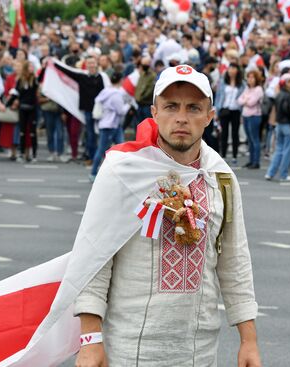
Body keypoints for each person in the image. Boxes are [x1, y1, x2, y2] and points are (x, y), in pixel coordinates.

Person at [74, 64, 261, 367]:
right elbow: (93, 258)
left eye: (194, 108)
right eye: (171, 106)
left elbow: (234, 260)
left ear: (210, 116)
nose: (182, 118)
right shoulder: (123, 171)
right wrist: (89, 340)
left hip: (199, 352)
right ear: (154, 112)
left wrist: (248, 339)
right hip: (131, 350)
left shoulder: (221, 178)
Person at [89, 72, 130, 179]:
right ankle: (93, 172)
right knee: (114, 150)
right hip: (111, 125)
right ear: (120, 80)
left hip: (107, 124)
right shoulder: (116, 94)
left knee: (118, 150)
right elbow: (120, 111)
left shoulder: (105, 91)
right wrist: (128, 105)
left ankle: (119, 173)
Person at [265, 73, 290, 182]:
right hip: (288, 125)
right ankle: (283, 174)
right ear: (287, 83)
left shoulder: (279, 94)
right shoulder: (289, 95)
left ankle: (270, 173)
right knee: (288, 151)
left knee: (279, 150)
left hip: (279, 125)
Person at [7, 61, 40, 163]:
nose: (31, 68)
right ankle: (21, 153)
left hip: (32, 108)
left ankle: (33, 154)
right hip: (23, 108)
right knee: (22, 132)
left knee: (32, 133)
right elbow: (16, 94)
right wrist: (7, 104)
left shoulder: (34, 79)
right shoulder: (20, 80)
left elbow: (37, 91)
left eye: (32, 66)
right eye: (30, 66)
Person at [214, 62, 244, 164]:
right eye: (230, 68)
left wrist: (242, 114)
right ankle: (223, 155)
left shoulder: (242, 84)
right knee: (224, 133)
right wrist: (217, 112)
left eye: (234, 68)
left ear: (237, 70)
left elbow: (243, 98)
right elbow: (218, 97)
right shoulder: (222, 82)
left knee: (235, 133)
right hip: (224, 109)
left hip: (236, 110)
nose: (231, 70)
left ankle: (235, 155)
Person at [237, 69, 264, 169]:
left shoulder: (258, 89)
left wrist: (245, 100)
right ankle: (251, 160)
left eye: (252, 77)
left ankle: (256, 161)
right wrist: (246, 100)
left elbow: (251, 102)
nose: (250, 79)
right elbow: (239, 100)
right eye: (248, 77)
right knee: (250, 139)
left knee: (255, 139)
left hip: (254, 116)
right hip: (246, 115)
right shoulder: (247, 89)